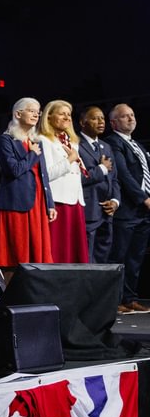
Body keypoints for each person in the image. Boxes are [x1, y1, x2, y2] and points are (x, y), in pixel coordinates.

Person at [0, 97, 57, 286]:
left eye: (38, 111)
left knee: (39, 253)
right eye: (31, 110)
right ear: (18, 114)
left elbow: (42, 175)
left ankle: (36, 296)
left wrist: (50, 203)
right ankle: (16, 297)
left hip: (37, 203)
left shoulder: (36, 142)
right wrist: (32, 155)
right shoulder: (6, 140)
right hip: (16, 202)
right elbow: (13, 170)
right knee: (16, 253)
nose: (37, 114)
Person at [102, 104, 150, 313]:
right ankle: (115, 300)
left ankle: (130, 297)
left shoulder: (138, 145)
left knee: (136, 257)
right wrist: (144, 198)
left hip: (142, 213)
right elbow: (123, 175)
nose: (131, 119)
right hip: (127, 210)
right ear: (114, 123)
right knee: (119, 256)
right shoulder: (113, 143)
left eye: (132, 115)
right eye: (124, 116)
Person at [38, 100, 89, 263]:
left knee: (77, 253)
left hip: (76, 202)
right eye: (62, 113)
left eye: (69, 114)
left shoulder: (72, 142)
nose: (67, 117)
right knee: (60, 251)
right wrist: (70, 159)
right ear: (49, 117)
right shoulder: (44, 140)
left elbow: (76, 174)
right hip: (59, 202)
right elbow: (46, 174)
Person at [77, 106, 118, 263]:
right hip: (88, 210)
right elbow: (79, 177)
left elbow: (114, 179)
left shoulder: (105, 146)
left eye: (102, 118)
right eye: (95, 118)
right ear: (82, 122)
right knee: (87, 262)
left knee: (103, 261)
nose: (101, 122)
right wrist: (101, 169)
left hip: (107, 212)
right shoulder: (75, 145)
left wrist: (115, 201)